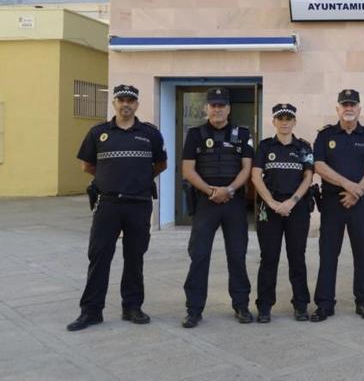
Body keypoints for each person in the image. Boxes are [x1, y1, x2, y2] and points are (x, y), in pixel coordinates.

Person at [67, 84, 167, 331]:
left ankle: (132, 307)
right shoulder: (98, 133)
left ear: (137, 105)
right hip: (108, 204)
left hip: (138, 204)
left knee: (134, 257)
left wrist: (139, 180)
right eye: (121, 100)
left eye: (130, 101)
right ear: (114, 103)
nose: (126, 104)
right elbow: (88, 166)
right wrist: (109, 180)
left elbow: (161, 164)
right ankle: (91, 312)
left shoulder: (150, 134)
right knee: (99, 256)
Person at [181, 87, 254, 328]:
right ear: (206, 108)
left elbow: (247, 168)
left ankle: (241, 305)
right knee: (199, 255)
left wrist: (230, 190)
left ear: (229, 109)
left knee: (237, 255)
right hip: (206, 202)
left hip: (233, 202)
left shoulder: (242, 134)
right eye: (213, 105)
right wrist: (211, 191)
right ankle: (193, 309)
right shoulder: (195, 134)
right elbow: (188, 170)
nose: (217, 109)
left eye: (222, 105)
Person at [311, 89, 364, 322]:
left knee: (363, 253)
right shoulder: (325, 135)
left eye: (353, 105)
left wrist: (357, 191)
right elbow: (318, 165)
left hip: (361, 204)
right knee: (328, 253)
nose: (349, 108)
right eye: (345, 105)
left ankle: (363, 303)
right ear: (338, 109)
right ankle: (324, 304)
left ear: (359, 109)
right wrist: (347, 185)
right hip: (332, 203)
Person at [251, 103, 314, 323]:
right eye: (280, 118)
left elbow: (308, 177)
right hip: (269, 211)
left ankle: (300, 305)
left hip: (296, 210)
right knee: (269, 258)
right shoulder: (265, 147)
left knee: (297, 258)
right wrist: (271, 202)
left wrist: (292, 202)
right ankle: (265, 306)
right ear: (274, 121)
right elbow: (256, 176)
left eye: (289, 118)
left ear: (294, 122)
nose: (285, 122)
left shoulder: (304, 147)